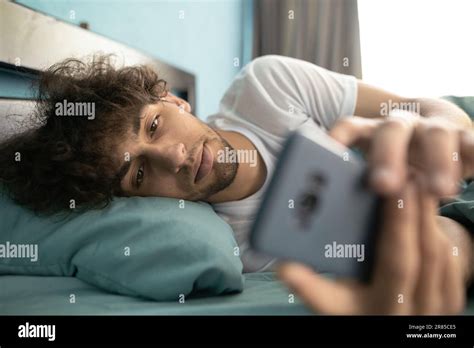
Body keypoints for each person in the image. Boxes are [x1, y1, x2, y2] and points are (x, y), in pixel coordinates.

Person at [1, 54, 473, 314]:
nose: (174, 157)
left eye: (153, 127)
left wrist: (446, 132)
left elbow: (423, 106)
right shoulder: (232, 250)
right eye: (140, 173)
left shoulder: (265, 87)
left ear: (173, 101)